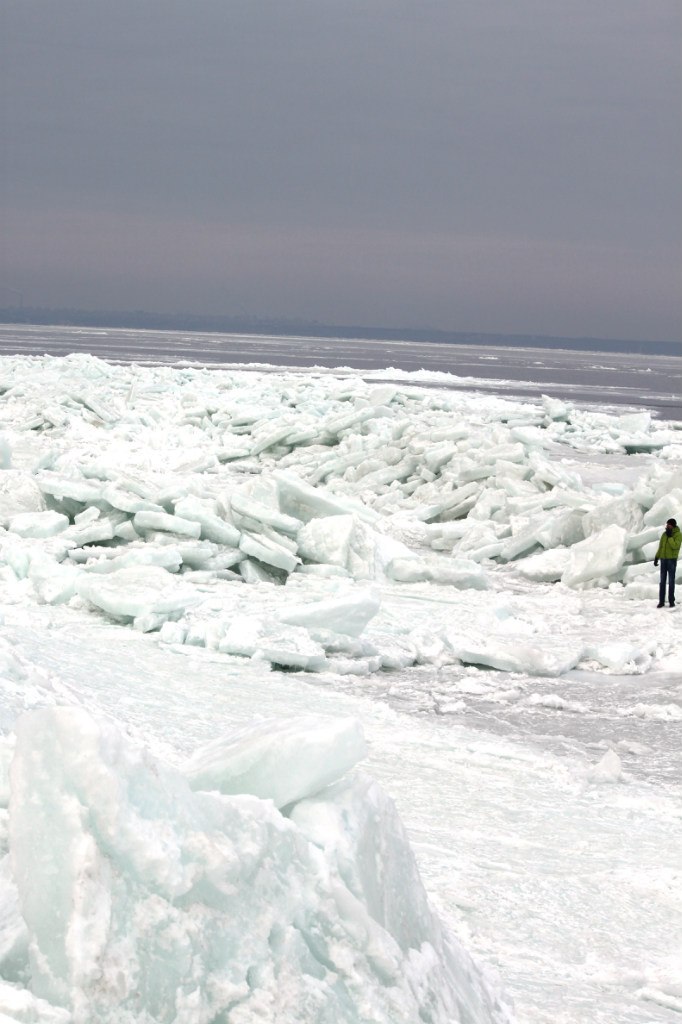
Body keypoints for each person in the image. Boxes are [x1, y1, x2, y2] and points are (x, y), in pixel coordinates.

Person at [654, 517, 681, 607]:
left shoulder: (678, 534)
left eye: (668, 524)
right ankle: (661, 601)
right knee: (662, 581)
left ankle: (671, 601)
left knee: (671, 581)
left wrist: (670, 537)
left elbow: (675, 546)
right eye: (666, 524)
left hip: (671, 560)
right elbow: (661, 547)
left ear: (673, 526)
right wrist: (657, 557)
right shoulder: (664, 534)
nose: (667, 526)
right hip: (663, 560)